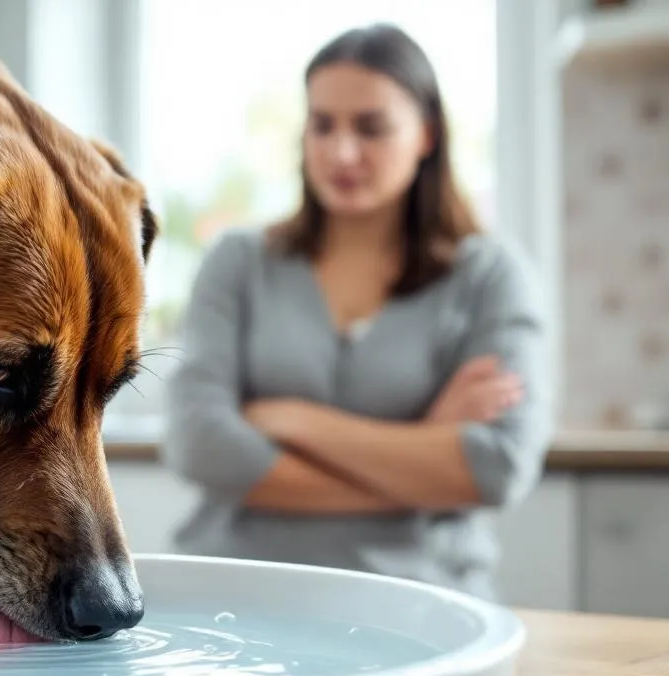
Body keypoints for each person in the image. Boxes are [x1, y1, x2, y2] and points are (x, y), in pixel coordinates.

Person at [161, 23, 553, 600]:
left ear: (426, 134)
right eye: (323, 125)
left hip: (426, 602)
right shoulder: (238, 262)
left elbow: (497, 467)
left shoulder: (492, 275)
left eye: (371, 128)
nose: (341, 152)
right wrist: (426, 448)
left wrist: (297, 421)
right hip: (237, 595)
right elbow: (200, 444)